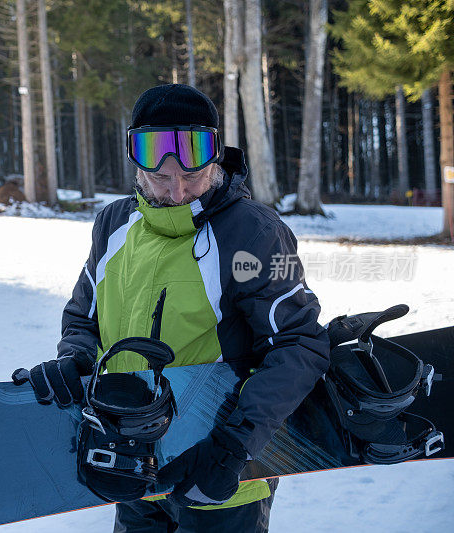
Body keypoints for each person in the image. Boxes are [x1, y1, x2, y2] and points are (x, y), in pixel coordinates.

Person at [17, 84, 330, 532]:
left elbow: (299, 345)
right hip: (130, 457)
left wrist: (232, 446)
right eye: (161, 178)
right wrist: (76, 359)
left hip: (221, 474)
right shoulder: (114, 224)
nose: (178, 189)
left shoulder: (251, 233)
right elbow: (84, 316)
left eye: (192, 175)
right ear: (137, 167)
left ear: (215, 159)